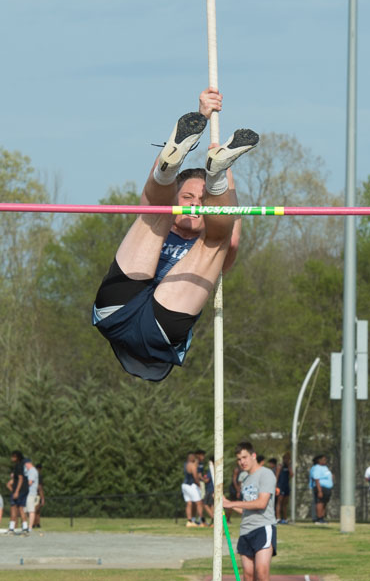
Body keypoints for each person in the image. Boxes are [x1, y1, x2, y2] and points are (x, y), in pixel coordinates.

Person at [92, 87, 258, 382]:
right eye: (188, 198)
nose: (195, 205)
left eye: (201, 200)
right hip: (151, 326)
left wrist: (220, 161)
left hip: (116, 313)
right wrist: (203, 116)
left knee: (208, 231)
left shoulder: (200, 235)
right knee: (162, 214)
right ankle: (206, 176)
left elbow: (230, 234)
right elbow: (156, 198)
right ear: (177, 198)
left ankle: (215, 172)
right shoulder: (171, 224)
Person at [223, 441, 278, 581]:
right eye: (238, 459)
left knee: (261, 572)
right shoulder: (244, 478)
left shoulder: (266, 474)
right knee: (248, 576)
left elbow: (261, 503)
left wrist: (232, 503)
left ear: (253, 456)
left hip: (263, 527)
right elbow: (244, 509)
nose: (241, 462)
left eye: (244, 457)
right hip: (245, 530)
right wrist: (227, 504)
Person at [6, 450, 28, 536]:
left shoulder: (19, 466)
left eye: (13, 456)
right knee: (16, 508)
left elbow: (21, 479)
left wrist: (16, 491)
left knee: (18, 508)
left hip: (20, 490)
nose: (12, 458)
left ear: (17, 457)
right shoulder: (18, 466)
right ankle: (18, 528)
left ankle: (20, 529)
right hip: (19, 490)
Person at [309, 454, 333, 524]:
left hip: (327, 488)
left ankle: (322, 517)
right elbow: (316, 479)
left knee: (324, 503)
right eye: (323, 459)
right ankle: (318, 518)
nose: (325, 461)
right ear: (318, 460)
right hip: (320, 487)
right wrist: (319, 491)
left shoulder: (325, 467)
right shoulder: (316, 467)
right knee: (320, 502)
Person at [181, 452, 203, 528]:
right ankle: (201, 520)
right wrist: (199, 484)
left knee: (189, 503)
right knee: (199, 502)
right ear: (191, 458)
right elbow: (195, 476)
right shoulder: (192, 466)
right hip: (191, 485)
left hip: (184, 485)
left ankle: (190, 521)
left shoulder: (185, 464)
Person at [24, 458, 40, 535]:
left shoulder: (32, 471)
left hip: (31, 493)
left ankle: (30, 527)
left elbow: (29, 482)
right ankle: (25, 526)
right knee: (25, 510)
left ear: (27, 464)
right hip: (27, 493)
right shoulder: (29, 471)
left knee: (31, 510)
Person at [276, 453, 292, 525]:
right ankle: (278, 518)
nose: (287, 460)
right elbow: (276, 476)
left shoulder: (289, 467)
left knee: (285, 503)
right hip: (280, 486)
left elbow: (292, 475)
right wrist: (276, 486)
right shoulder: (280, 466)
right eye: (286, 459)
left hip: (286, 486)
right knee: (279, 502)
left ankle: (284, 518)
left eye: (288, 459)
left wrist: (289, 467)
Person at [31, 464, 45, 529]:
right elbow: (40, 487)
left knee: (37, 509)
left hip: (32, 493)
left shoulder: (32, 474)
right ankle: (34, 523)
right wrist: (42, 498)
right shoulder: (38, 475)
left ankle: (37, 523)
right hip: (36, 494)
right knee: (36, 509)